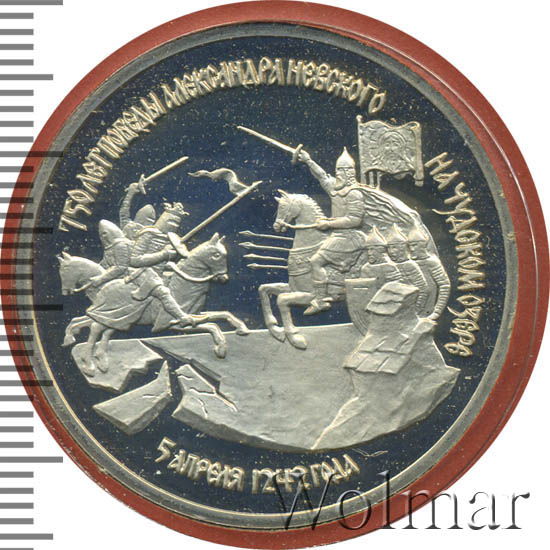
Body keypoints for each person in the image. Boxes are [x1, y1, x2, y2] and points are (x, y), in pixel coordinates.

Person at [297, 147, 368, 314]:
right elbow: (322, 176)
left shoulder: (354, 194)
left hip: (351, 237)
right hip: (337, 235)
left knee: (315, 261)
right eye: (337, 170)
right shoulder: (335, 189)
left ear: (350, 173)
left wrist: (329, 223)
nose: (339, 174)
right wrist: (308, 161)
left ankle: (321, 300)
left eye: (342, 170)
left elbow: (355, 220)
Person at [126, 202, 193, 329]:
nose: (174, 225)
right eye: (171, 221)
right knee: (163, 292)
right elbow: (134, 260)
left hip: (158, 274)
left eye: (177, 223)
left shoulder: (172, 239)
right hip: (141, 272)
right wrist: (163, 254)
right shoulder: (148, 234)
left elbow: (162, 264)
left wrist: (170, 264)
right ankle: (182, 318)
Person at [384, 224, 428, 315]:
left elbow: (423, 289)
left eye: (394, 247)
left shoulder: (410, 265)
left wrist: (416, 311)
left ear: (402, 248)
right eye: (389, 248)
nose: (391, 251)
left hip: (408, 311)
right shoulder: (387, 266)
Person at [408, 227, 450, 320]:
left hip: (426, 312)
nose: (411, 249)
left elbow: (444, 286)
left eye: (414, 245)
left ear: (423, 245)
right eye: (409, 246)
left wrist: (437, 312)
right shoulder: (408, 263)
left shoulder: (431, 262)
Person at [89, 220, 132, 289]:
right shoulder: (110, 247)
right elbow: (104, 264)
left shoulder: (121, 245)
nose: (103, 237)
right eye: (101, 235)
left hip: (127, 280)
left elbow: (121, 267)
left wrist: (100, 279)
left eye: (104, 233)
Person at [119, 175, 156, 239]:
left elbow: (124, 212)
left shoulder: (129, 228)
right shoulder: (154, 236)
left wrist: (130, 193)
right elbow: (123, 213)